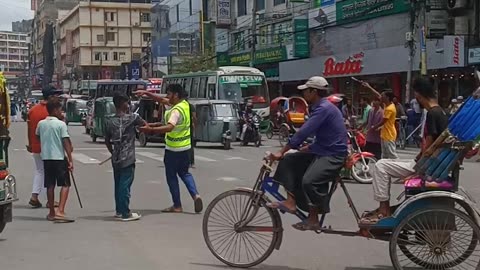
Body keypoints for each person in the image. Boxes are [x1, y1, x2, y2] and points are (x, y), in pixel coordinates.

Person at [266, 76, 348, 231]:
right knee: (289, 160)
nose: (303, 93)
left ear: (314, 91)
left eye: (306, 91)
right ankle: (291, 202)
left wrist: (281, 151)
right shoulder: (318, 107)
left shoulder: (324, 108)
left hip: (334, 155)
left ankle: (313, 219)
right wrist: (308, 148)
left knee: (309, 181)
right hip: (322, 150)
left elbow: (304, 132)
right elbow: (324, 136)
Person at [362, 78, 449, 222]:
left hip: (425, 166)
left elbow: (429, 147)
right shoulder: (440, 112)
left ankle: (384, 209)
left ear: (419, 96)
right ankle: (385, 208)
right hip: (430, 163)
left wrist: (417, 171)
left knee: (380, 165)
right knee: (385, 161)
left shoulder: (433, 114)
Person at [139, 84, 203, 214]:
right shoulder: (185, 105)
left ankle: (177, 205)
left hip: (173, 149)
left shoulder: (175, 111)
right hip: (185, 148)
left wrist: (150, 130)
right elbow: (162, 100)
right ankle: (196, 195)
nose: (167, 97)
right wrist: (147, 93)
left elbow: (169, 127)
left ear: (176, 95)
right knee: (185, 173)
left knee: (171, 177)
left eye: (169, 94)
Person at [104, 93, 147, 221]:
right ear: (124, 104)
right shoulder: (133, 118)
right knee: (125, 185)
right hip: (128, 157)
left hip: (116, 157)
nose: (129, 105)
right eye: (127, 103)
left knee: (118, 184)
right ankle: (125, 213)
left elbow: (107, 140)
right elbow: (145, 125)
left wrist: (112, 152)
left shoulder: (109, 121)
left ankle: (119, 210)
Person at [36, 99, 74, 223]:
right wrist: (70, 160)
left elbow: (37, 136)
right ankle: (61, 211)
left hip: (46, 158)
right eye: (60, 109)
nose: (61, 112)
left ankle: (52, 212)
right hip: (59, 158)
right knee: (65, 184)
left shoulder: (41, 124)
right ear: (55, 110)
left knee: (50, 185)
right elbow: (66, 142)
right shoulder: (60, 124)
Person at [26, 86, 63, 208]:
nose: (57, 97)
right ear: (51, 96)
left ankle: (35, 196)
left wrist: (31, 144)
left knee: (39, 171)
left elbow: (29, 129)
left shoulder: (32, 110)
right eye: (55, 95)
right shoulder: (52, 111)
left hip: (36, 145)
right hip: (50, 148)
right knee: (49, 175)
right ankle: (48, 200)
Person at [362, 82, 398, 159]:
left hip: (389, 135)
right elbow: (377, 94)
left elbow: (383, 122)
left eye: (382, 96)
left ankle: (397, 168)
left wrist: (373, 127)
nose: (380, 97)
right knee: (384, 156)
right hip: (385, 134)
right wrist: (369, 87)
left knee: (392, 155)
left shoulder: (389, 108)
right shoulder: (387, 105)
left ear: (387, 98)